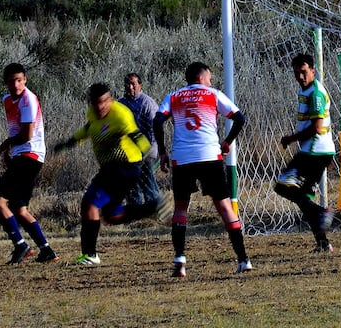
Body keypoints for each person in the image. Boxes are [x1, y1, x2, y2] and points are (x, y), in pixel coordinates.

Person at [154, 61, 251, 278]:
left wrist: (162, 152)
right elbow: (239, 118)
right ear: (201, 78)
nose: (211, 81)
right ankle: (243, 259)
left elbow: (158, 121)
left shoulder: (174, 96)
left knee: (180, 209)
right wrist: (227, 142)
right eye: (209, 77)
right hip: (209, 155)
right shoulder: (212, 94)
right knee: (225, 208)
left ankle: (180, 259)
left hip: (182, 158)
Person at [54, 83, 155, 266]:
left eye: (103, 102)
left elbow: (136, 136)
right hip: (111, 169)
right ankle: (151, 207)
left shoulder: (121, 115)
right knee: (110, 215)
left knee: (90, 203)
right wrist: (68, 143)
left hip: (125, 167)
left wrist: (149, 158)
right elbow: (88, 129)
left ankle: (90, 255)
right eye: (95, 103)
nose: (99, 107)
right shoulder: (93, 113)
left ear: (111, 100)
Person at [0, 62, 58, 264]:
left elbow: (27, 135)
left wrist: (8, 144)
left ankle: (21, 245)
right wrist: (11, 151)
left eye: (19, 80)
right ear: (6, 83)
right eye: (11, 81)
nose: (16, 84)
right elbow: (16, 130)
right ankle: (47, 251)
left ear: (25, 80)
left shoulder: (28, 100)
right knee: (19, 208)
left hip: (30, 155)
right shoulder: (7, 100)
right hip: (26, 156)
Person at [274, 53, 336, 252]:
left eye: (304, 72)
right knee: (304, 198)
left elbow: (317, 127)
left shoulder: (315, 93)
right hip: (318, 152)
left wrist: (291, 138)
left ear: (313, 71)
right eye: (296, 73)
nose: (300, 76)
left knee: (283, 185)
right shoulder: (306, 90)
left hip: (314, 151)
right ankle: (323, 243)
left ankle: (322, 212)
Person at [119, 73, 161, 211]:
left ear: (140, 85)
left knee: (146, 179)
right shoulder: (121, 104)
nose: (130, 87)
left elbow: (154, 128)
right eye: (127, 84)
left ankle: (154, 209)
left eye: (133, 84)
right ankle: (135, 209)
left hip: (147, 150)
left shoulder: (147, 103)